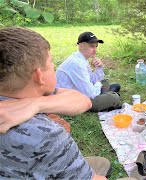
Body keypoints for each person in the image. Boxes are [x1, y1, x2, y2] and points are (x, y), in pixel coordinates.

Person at [0, 26, 111, 179]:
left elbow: (83, 101)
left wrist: (35, 104)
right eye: (51, 62)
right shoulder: (46, 134)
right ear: (39, 75)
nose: (54, 67)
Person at [56, 32, 121, 112]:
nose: (95, 50)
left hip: (79, 92)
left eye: (96, 46)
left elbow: (92, 80)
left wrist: (99, 67)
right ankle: (110, 95)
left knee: (105, 81)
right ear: (81, 46)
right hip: (69, 101)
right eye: (92, 46)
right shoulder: (76, 63)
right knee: (115, 98)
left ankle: (107, 94)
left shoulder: (82, 59)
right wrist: (98, 84)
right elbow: (91, 95)